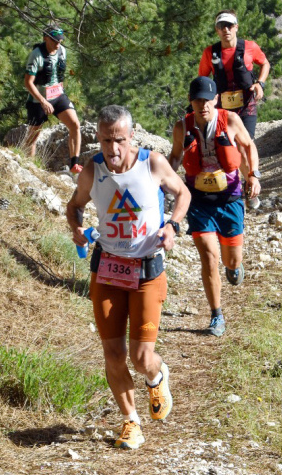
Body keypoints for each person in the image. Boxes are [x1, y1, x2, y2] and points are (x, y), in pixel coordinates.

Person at [66, 105, 190, 449]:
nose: (113, 148)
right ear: (98, 138)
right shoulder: (93, 169)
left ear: (131, 136)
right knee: (112, 353)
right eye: (106, 140)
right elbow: (74, 205)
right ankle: (131, 422)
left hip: (147, 267)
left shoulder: (152, 163)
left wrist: (173, 225)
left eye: (119, 139)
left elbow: (183, 193)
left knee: (140, 357)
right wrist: (76, 227)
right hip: (106, 267)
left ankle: (156, 375)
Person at [168, 77, 261, 337]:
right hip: (198, 199)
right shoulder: (182, 127)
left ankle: (234, 267)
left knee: (231, 261)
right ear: (191, 102)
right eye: (198, 100)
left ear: (215, 99)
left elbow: (248, 145)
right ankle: (216, 315)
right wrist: (165, 179)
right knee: (209, 257)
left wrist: (253, 175)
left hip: (229, 198)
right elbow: (176, 155)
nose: (203, 105)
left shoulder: (230, 120)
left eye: (207, 100)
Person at [198, 10, 270, 140]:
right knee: (225, 145)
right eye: (221, 26)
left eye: (229, 25)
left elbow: (265, 64)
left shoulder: (250, 47)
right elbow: (202, 79)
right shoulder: (210, 52)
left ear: (236, 27)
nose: (226, 29)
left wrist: (260, 83)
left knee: (246, 142)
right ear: (217, 30)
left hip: (247, 105)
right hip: (221, 107)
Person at [23, 24, 83, 173]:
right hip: (39, 100)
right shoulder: (36, 55)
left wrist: (60, 89)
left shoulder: (62, 51)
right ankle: (28, 168)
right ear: (45, 39)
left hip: (57, 95)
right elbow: (28, 82)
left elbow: (58, 72)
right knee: (33, 138)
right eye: (55, 41)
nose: (58, 44)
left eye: (60, 41)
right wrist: (43, 101)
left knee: (75, 125)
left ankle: (74, 163)